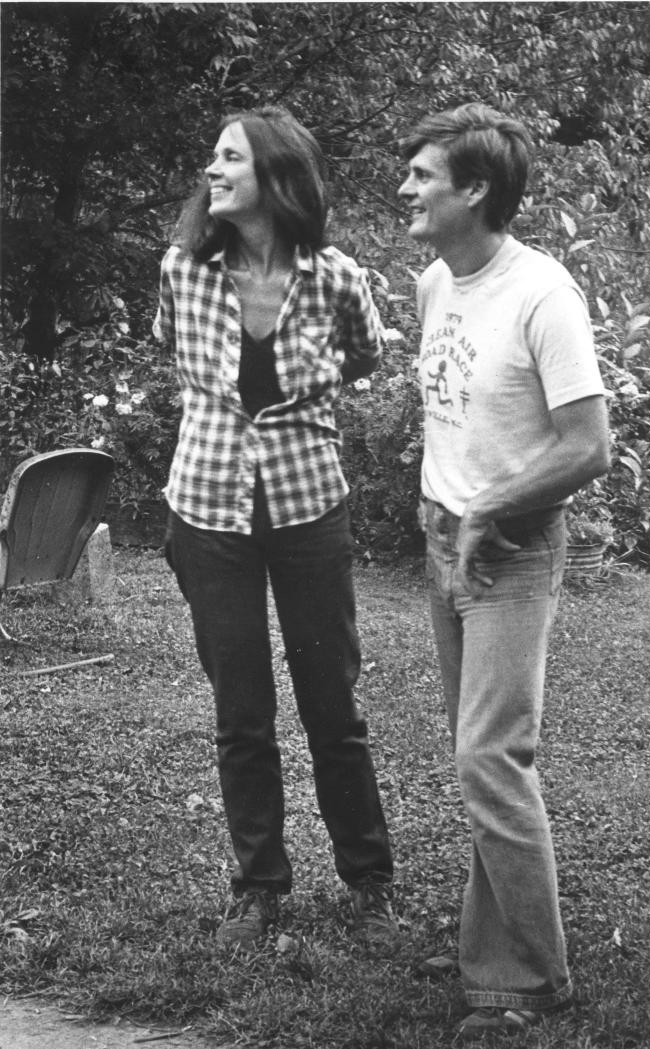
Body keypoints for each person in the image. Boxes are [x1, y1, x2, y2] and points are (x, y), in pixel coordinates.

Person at [154, 105, 397, 950]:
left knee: (332, 701)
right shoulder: (183, 271)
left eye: (229, 159)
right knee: (242, 711)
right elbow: (173, 350)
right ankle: (259, 888)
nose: (211, 172)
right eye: (212, 158)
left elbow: (365, 353)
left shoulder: (335, 278)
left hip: (306, 510)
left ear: (275, 177)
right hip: (207, 510)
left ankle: (369, 879)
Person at [398, 103, 610, 1038]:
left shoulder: (543, 294)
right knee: (474, 756)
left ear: (474, 189)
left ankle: (533, 979)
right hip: (445, 540)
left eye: (423, 174)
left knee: (491, 757)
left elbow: (590, 446)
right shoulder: (436, 283)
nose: (406, 185)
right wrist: (437, 499)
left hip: (513, 552)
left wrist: (488, 506)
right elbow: (453, 410)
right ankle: (494, 959)